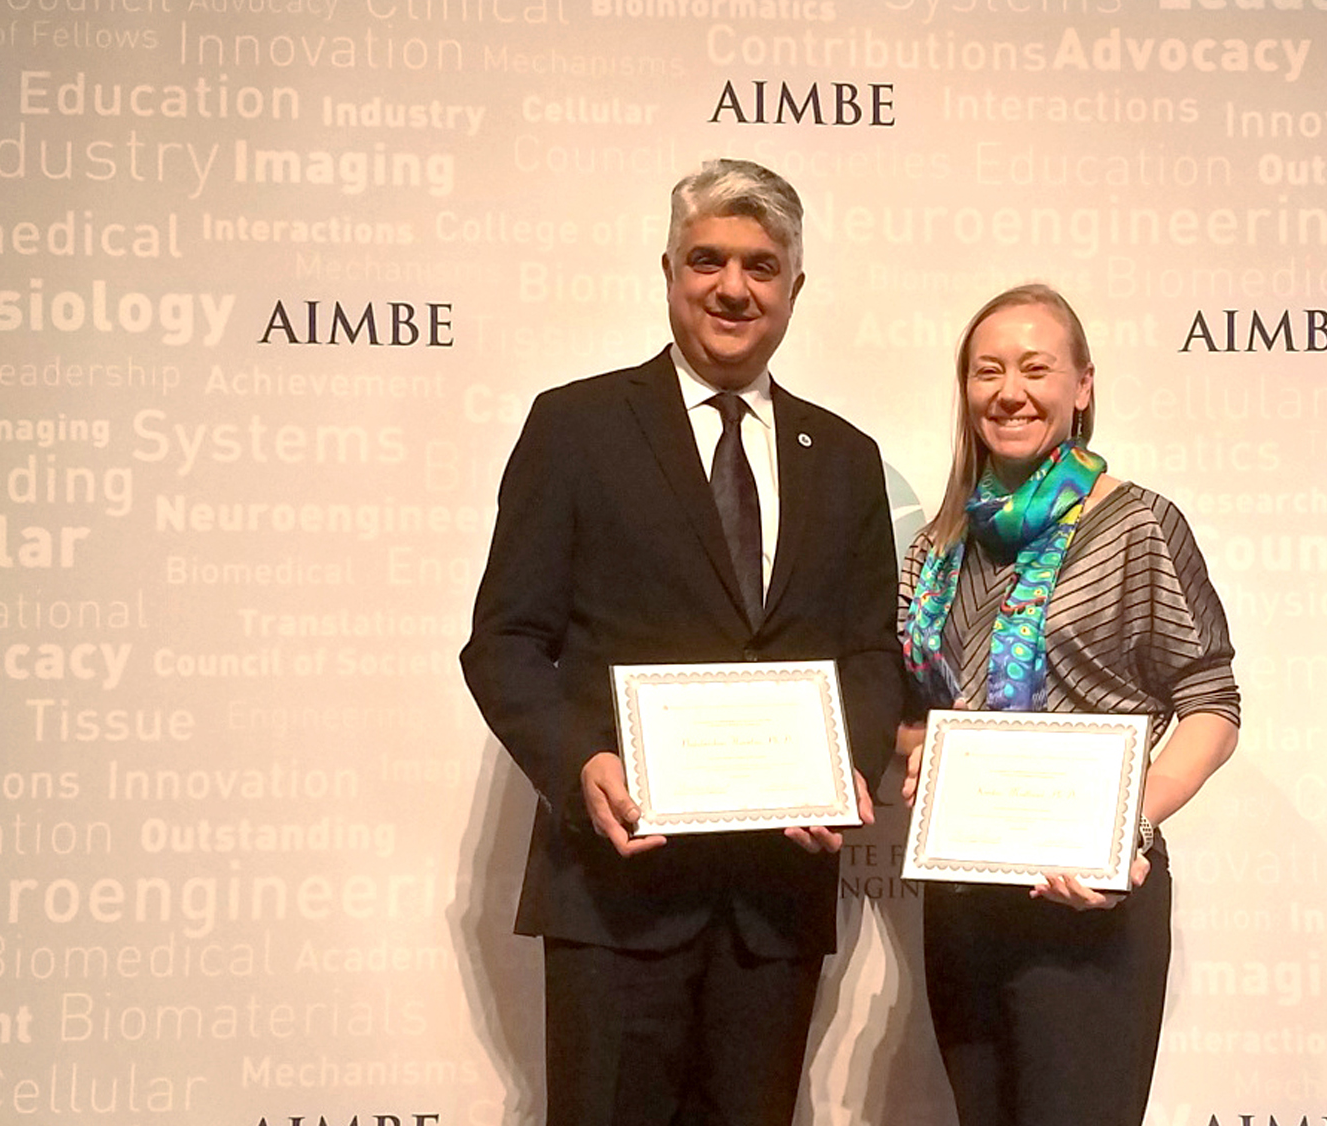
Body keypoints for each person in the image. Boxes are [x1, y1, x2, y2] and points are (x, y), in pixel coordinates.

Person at [460, 159, 901, 1126]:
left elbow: (873, 654)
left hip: (774, 904)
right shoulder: (575, 428)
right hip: (617, 895)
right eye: (708, 259)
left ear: (795, 286)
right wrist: (580, 762)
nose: (732, 287)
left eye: (761, 265)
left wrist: (845, 764)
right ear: (667, 269)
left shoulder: (847, 458)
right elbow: (503, 642)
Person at [897, 283, 1241, 1126]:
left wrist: (1122, 824)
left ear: (1082, 386)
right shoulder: (937, 545)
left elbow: (1212, 706)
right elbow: (914, 710)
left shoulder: (1136, 525)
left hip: (1091, 900)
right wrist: (915, 755)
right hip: (967, 903)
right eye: (987, 371)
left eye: (1035, 368)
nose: (1009, 391)